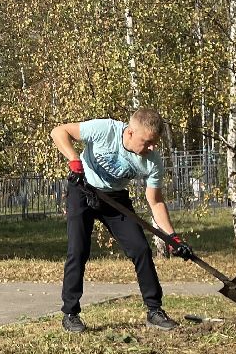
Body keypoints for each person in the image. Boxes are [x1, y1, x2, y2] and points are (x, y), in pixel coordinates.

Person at [50, 108, 192, 333]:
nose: (151, 148)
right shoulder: (105, 130)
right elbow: (59, 131)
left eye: (154, 143)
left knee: (141, 249)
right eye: (146, 142)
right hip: (83, 190)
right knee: (78, 250)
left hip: (115, 200)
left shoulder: (152, 161)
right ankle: (71, 314)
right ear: (129, 133)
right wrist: (74, 161)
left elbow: (155, 202)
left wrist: (172, 237)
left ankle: (154, 311)